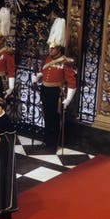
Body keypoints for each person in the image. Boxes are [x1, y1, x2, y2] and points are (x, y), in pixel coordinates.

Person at [32, 17, 77, 153]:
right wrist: (38, 77)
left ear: (59, 48)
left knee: (55, 119)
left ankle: (53, 144)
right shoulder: (46, 58)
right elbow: (44, 72)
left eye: (53, 48)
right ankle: (46, 140)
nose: (50, 50)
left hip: (56, 93)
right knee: (46, 116)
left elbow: (71, 82)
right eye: (50, 48)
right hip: (45, 90)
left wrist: (68, 99)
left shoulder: (65, 62)